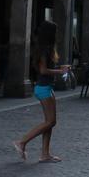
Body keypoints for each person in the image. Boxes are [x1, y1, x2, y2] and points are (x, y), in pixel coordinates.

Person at [14, 20, 70, 163]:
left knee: (49, 122)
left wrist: (60, 68)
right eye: (55, 32)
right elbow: (43, 70)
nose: (57, 35)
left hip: (47, 87)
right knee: (51, 121)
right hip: (43, 88)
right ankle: (22, 142)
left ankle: (45, 154)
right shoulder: (44, 50)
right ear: (50, 34)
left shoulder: (48, 48)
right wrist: (60, 71)